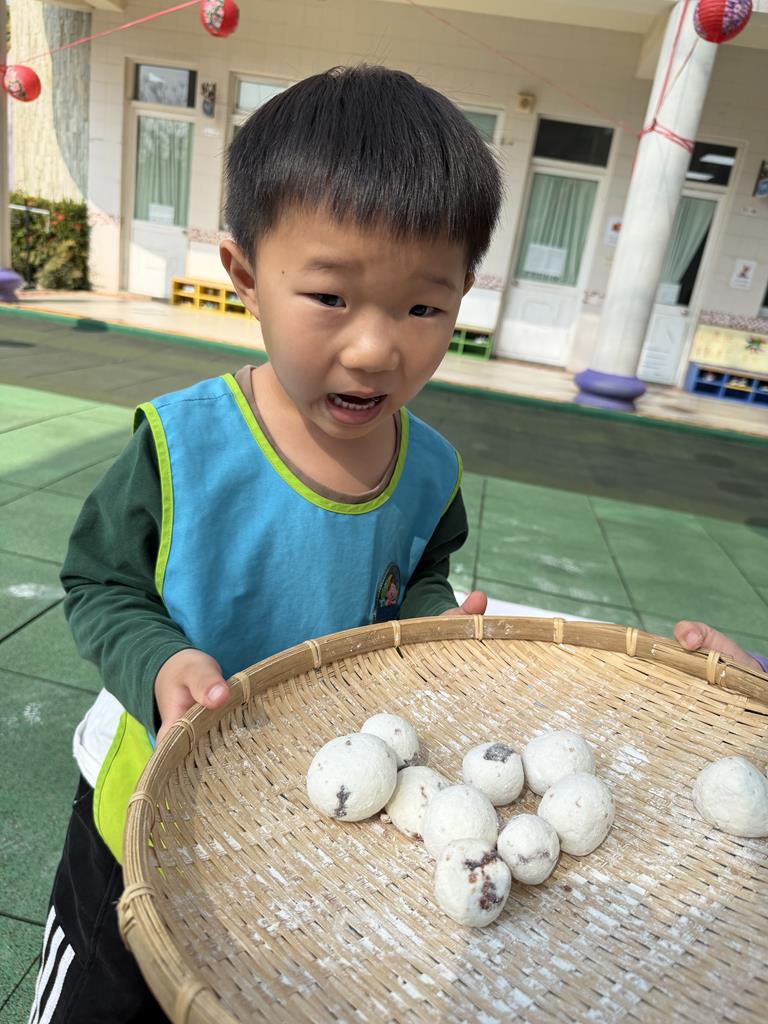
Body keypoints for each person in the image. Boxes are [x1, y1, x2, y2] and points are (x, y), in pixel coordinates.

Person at [28, 64, 500, 1023]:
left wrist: (435, 626)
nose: (375, 348)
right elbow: (101, 584)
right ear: (245, 276)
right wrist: (161, 664)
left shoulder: (431, 472)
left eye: (423, 308)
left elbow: (416, 578)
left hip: (301, 827)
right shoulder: (182, 448)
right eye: (329, 296)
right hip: (145, 813)